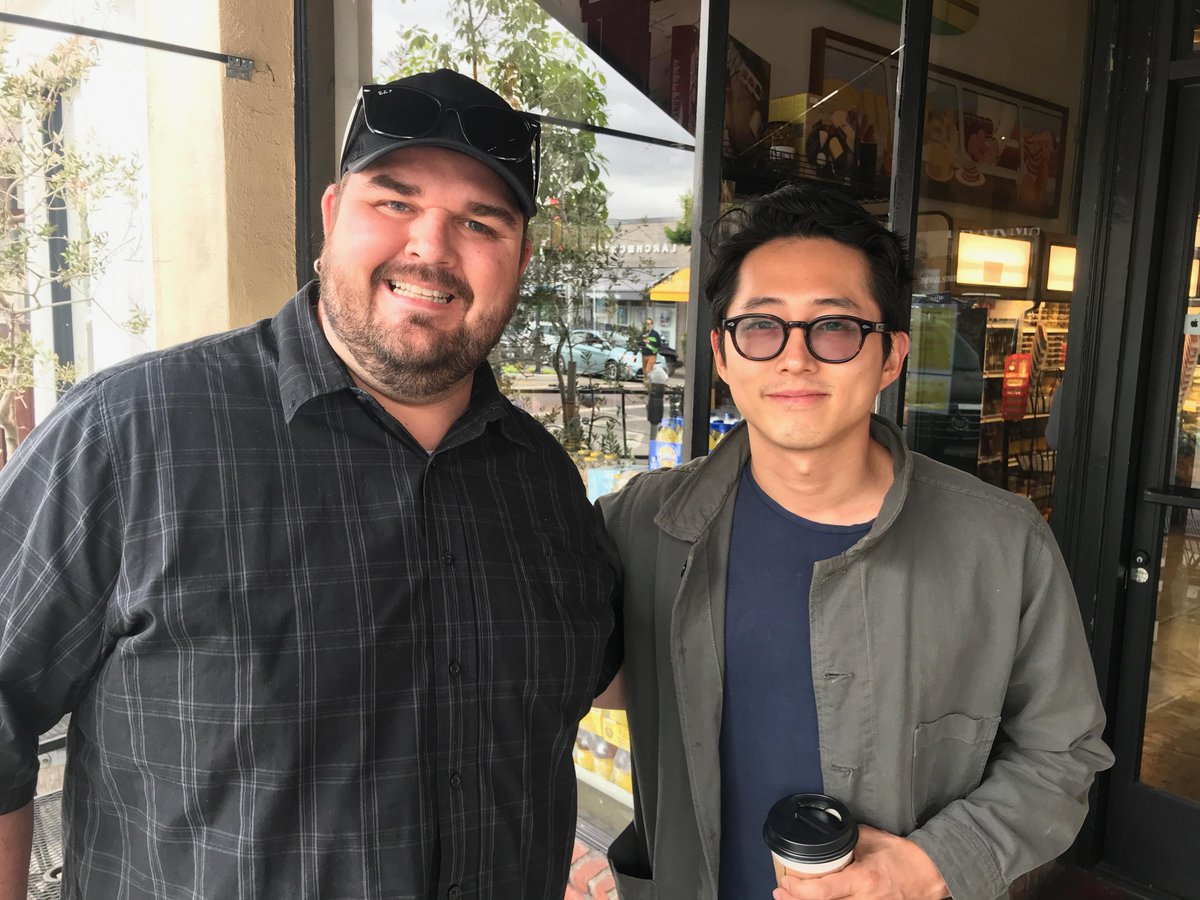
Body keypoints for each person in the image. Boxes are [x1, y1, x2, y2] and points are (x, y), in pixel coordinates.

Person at [0, 69, 620, 900]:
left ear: (521, 261)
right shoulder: (133, 432)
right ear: (331, 218)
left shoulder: (544, 488)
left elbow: (610, 683)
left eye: (480, 222)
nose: (432, 248)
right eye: (394, 203)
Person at [596, 183, 1113, 900]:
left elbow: (1063, 753)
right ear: (722, 353)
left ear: (892, 357)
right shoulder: (642, 524)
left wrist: (928, 867)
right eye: (761, 326)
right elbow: (554, 671)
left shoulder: (1000, 543)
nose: (795, 358)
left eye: (835, 327)